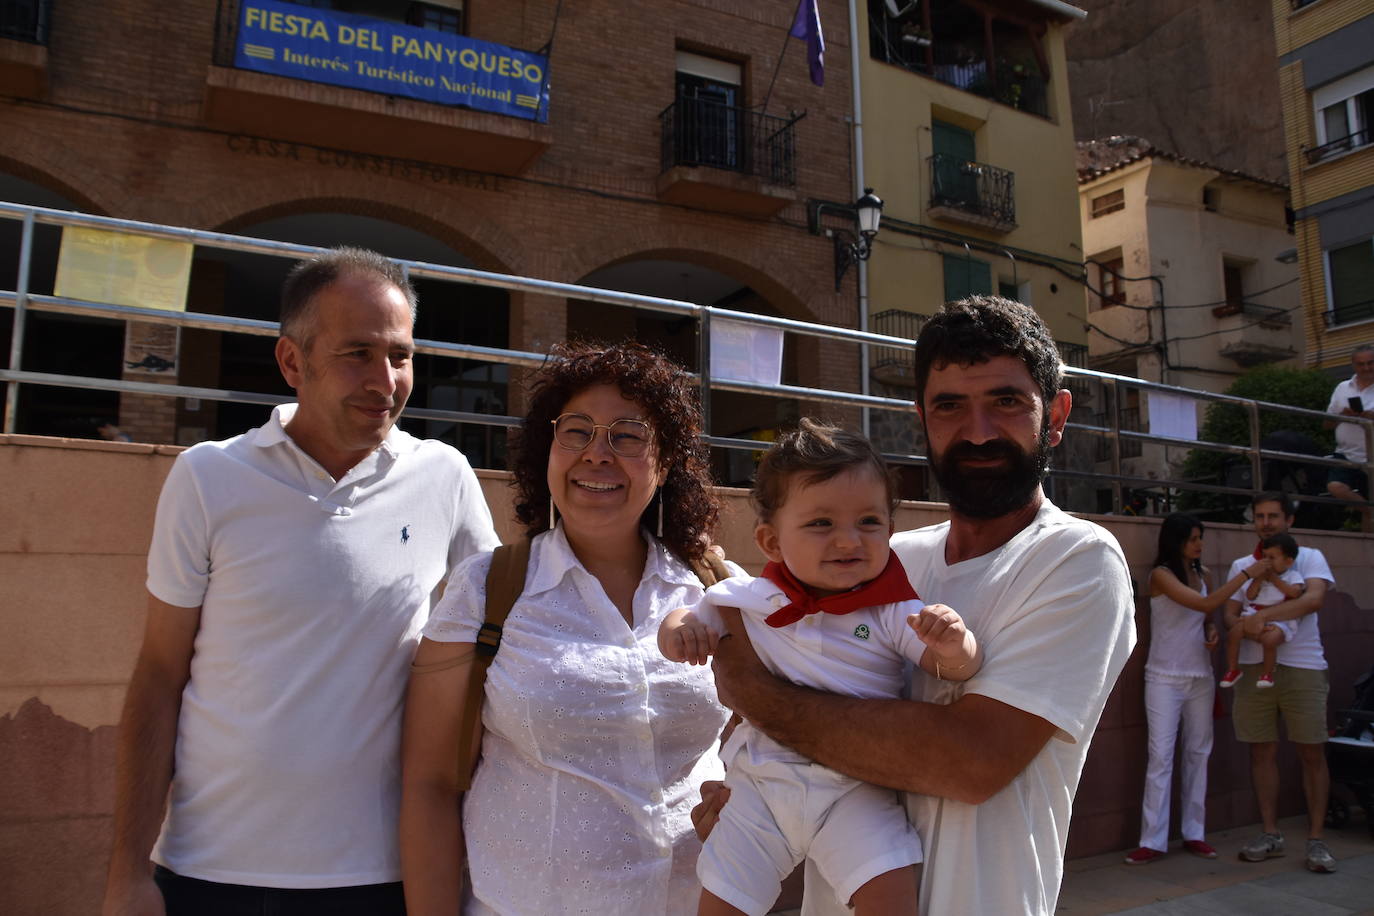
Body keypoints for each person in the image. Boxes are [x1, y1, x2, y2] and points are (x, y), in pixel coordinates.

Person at [698, 296, 1136, 916]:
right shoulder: (882, 557)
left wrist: (746, 685)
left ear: (1056, 415)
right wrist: (752, 794)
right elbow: (784, 703)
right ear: (921, 419)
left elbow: (969, 761)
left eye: (1007, 402)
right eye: (950, 405)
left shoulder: (1076, 561)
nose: (978, 430)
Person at [101, 248, 500, 916]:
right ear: (293, 361)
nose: (386, 380)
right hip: (208, 873)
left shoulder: (446, 477)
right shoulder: (208, 477)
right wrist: (125, 872)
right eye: (357, 354)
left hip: (382, 878)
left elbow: (506, 627)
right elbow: (158, 677)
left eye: (400, 356)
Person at [400, 342, 732, 916]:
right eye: (576, 431)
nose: (597, 454)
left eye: (627, 435)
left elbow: (769, 736)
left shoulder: (717, 589)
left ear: (667, 461)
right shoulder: (486, 590)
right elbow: (428, 782)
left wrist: (748, 796)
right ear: (547, 450)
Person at [659, 419, 981, 915]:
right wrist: (681, 631)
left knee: (891, 897)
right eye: (821, 524)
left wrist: (955, 645)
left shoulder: (892, 610)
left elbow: (953, 670)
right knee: (722, 902)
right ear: (770, 543)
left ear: (890, 532)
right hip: (760, 789)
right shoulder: (753, 599)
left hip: (856, 788)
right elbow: (686, 615)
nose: (849, 540)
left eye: (869, 522)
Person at [1124, 513, 1259, 866]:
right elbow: (1202, 604)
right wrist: (1247, 575)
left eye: (1201, 537)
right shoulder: (1161, 576)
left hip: (1200, 677)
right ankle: (1152, 839)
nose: (1199, 544)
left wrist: (1211, 633)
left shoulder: (1205, 575)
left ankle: (1195, 833)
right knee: (1161, 757)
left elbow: (1205, 618)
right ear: (1176, 540)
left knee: (1199, 753)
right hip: (1164, 677)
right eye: (1193, 538)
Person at [1223, 492, 1337, 873]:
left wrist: (1258, 619)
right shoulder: (1242, 564)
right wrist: (1250, 627)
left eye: (1274, 516)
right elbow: (1230, 615)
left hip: (1303, 666)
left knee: (1311, 752)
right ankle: (1270, 833)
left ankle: (1316, 839)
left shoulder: (1310, 557)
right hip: (1254, 668)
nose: (1267, 522)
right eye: (1260, 516)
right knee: (1261, 752)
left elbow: (1313, 601)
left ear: (1289, 520)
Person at [1221, 533, 1305, 690]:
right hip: (1254, 613)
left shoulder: (1293, 575)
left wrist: (1274, 579)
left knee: (1270, 640)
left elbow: (1295, 593)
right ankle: (1232, 669)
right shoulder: (1260, 576)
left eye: (1272, 558)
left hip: (1279, 617)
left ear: (1288, 561)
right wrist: (1258, 579)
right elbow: (1250, 595)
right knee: (1233, 634)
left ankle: (1267, 674)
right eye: (1264, 557)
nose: (1266, 562)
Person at [1323, 344, 1374, 505]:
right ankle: (1370, 512)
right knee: (1335, 486)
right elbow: (1326, 424)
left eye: (1371, 363)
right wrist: (1343, 416)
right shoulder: (1342, 388)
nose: (1366, 368)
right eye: (1361, 364)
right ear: (1353, 365)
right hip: (1346, 455)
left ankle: (1369, 515)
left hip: (1372, 457)